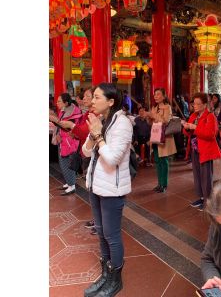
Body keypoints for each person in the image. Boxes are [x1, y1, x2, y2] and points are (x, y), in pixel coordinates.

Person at [81, 83, 133, 297]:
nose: (92, 101)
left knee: (111, 235)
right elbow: (85, 152)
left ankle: (115, 281)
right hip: (96, 185)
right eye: (92, 97)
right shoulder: (101, 120)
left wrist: (99, 136)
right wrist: (94, 134)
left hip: (112, 189)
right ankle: (105, 275)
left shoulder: (122, 124)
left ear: (111, 102)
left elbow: (111, 160)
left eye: (96, 97)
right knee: (101, 233)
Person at [57, 87, 97, 234]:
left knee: (96, 190)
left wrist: (73, 127)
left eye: (88, 96)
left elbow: (85, 132)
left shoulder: (95, 115)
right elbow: (81, 132)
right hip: (86, 152)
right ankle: (97, 219)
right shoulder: (88, 113)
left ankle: (100, 223)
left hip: (93, 154)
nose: (84, 99)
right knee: (92, 190)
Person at [183, 93, 221, 211]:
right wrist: (186, 127)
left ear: (205, 105)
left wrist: (194, 128)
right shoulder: (194, 116)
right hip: (195, 149)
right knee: (197, 175)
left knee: (206, 176)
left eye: (197, 103)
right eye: (194, 103)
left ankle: (208, 201)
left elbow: (210, 134)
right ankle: (201, 197)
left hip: (205, 150)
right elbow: (186, 133)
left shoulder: (210, 116)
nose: (194, 106)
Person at [50, 93, 82, 195]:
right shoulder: (64, 111)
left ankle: (72, 185)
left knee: (68, 163)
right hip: (63, 141)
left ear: (66, 103)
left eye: (59, 101)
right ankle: (69, 183)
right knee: (63, 162)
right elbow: (61, 126)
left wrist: (55, 120)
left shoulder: (74, 112)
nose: (57, 103)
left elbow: (68, 128)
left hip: (69, 142)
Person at [147, 88, 177, 193]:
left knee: (164, 161)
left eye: (158, 94)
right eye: (154, 94)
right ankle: (159, 184)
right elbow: (152, 123)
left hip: (164, 138)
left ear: (164, 96)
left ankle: (164, 184)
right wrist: (148, 118)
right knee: (157, 161)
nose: (155, 96)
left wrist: (153, 115)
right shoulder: (154, 107)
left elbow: (165, 121)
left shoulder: (167, 107)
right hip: (155, 136)